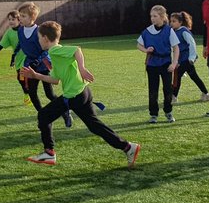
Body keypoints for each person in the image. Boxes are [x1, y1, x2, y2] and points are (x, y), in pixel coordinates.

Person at [22, 21, 141, 168]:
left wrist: (82, 68)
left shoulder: (54, 51)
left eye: (39, 37)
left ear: (45, 38)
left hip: (74, 96)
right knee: (94, 126)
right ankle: (128, 147)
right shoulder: (54, 55)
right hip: (83, 92)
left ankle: (49, 153)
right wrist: (35, 76)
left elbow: (76, 50)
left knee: (43, 116)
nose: (38, 41)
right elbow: (56, 80)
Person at [16, 2, 72, 127]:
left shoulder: (39, 31)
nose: (20, 18)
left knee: (49, 94)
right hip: (29, 65)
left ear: (32, 18)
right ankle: (43, 116)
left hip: (43, 65)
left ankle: (65, 112)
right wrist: (15, 54)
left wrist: (38, 60)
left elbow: (46, 48)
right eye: (20, 15)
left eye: (23, 16)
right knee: (32, 93)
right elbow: (21, 44)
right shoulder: (20, 30)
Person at [137, 5, 180, 123]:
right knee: (153, 90)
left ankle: (168, 112)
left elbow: (176, 48)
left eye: (155, 16)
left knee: (167, 89)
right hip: (152, 65)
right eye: (151, 16)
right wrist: (146, 50)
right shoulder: (147, 31)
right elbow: (139, 44)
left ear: (162, 17)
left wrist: (174, 63)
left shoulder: (168, 30)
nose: (152, 18)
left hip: (166, 63)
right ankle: (153, 114)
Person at [169, 11, 209, 103]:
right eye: (171, 21)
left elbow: (192, 44)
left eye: (174, 21)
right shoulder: (174, 32)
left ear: (180, 22)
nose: (171, 23)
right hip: (181, 60)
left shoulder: (184, 31)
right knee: (194, 77)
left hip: (186, 59)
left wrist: (191, 58)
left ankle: (173, 97)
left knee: (177, 76)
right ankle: (206, 93)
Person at [0, 10, 29, 105]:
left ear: (19, 20)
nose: (11, 21)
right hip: (19, 60)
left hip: (29, 58)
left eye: (13, 19)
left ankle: (31, 92)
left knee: (26, 77)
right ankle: (27, 93)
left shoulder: (25, 29)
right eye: (9, 19)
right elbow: (2, 42)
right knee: (21, 79)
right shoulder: (9, 33)